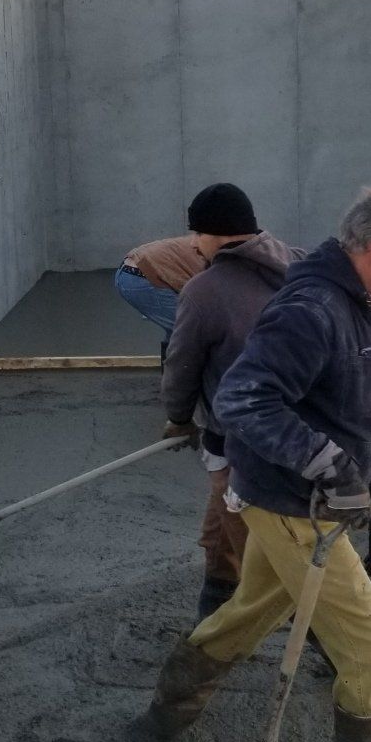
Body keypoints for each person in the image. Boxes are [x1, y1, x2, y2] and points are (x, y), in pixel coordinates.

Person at [137, 186, 371, 742]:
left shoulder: (367, 307)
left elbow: (367, 417)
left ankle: (166, 712)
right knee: (370, 645)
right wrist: (329, 465)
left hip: (302, 499)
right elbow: (244, 400)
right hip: (293, 505)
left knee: (250, 610)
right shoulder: (313, 310)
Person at [157, 183, 303, 621]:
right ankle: (218, 593)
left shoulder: (204, 291)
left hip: (236, 440)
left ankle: (242, 624)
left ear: (215, 235)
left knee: (252, 534)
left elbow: (181, 367)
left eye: (196, 234)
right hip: (301, 433)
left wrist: (179, 418)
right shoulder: (301, 265)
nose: (192, 244)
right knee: (224, 528)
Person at [114, 230, 206, 350]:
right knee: (192, 331)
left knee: (181, 330)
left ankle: (172, 361)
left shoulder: (214, 242)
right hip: (142, 275)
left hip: (134, 269)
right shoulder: (218, 256)